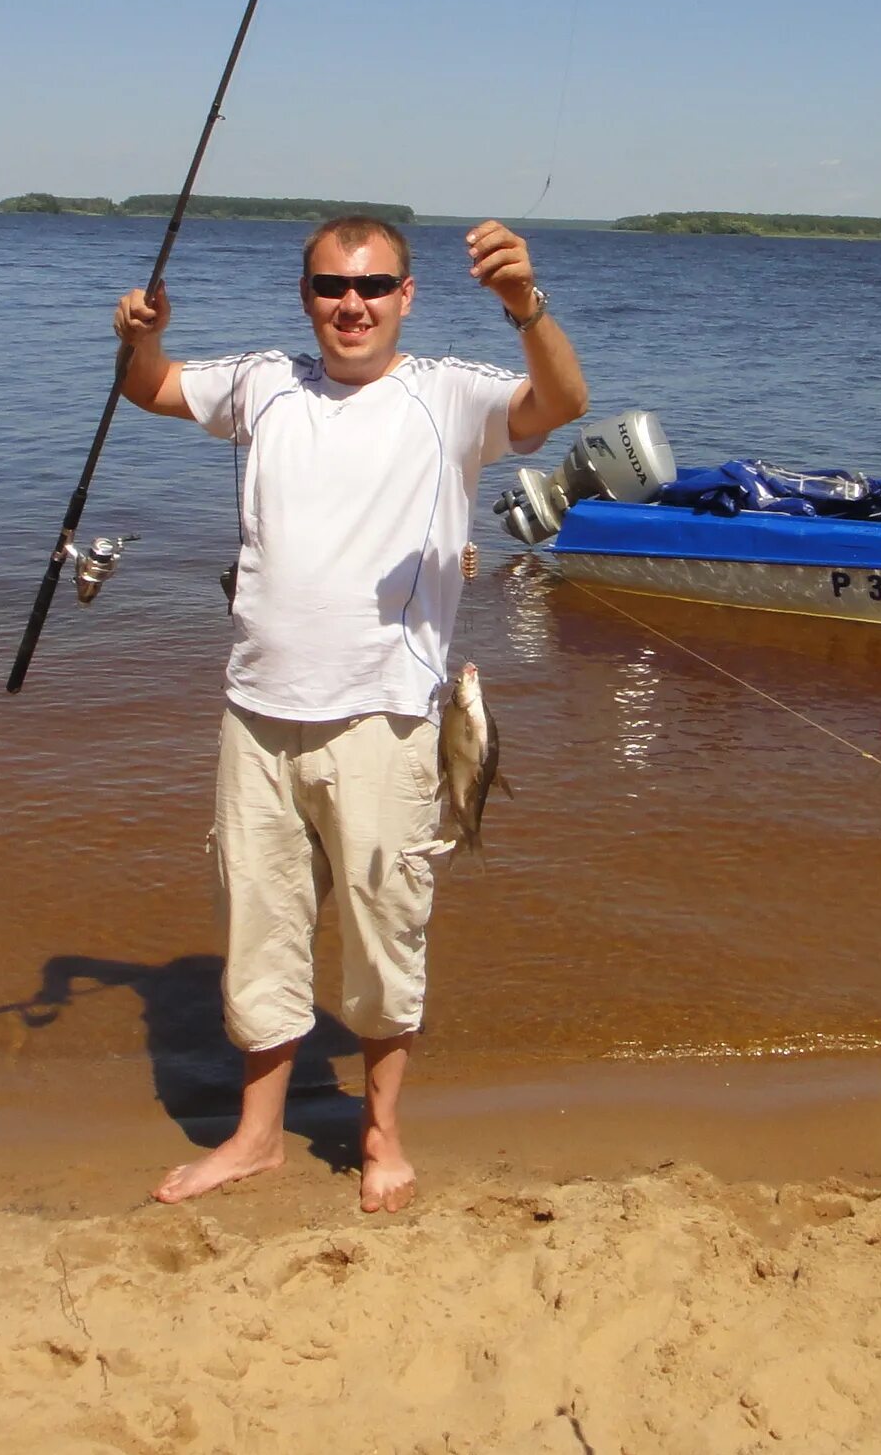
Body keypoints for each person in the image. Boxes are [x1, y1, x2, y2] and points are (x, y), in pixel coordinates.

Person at [113, 214, 589, 1212]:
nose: (352, 305)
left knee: (385, 936)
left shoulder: (448, 397)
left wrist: (524, 306)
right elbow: (151, 388)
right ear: (306, 294)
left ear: (407, 296)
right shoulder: (259, 383)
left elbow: (562, 401)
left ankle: (381, 1134)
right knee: (261, 932)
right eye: (333, 286)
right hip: (257, 717)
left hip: (391, 722)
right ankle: (255, 1138)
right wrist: (140, 336)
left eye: (374, 287)